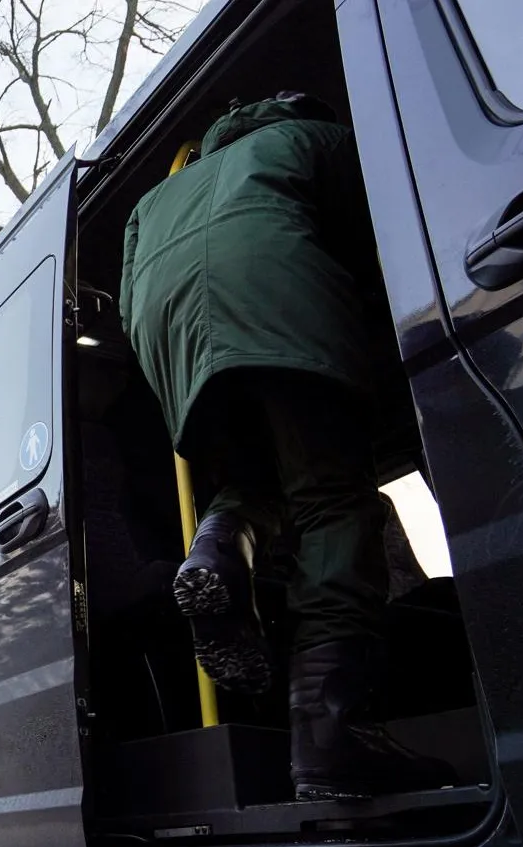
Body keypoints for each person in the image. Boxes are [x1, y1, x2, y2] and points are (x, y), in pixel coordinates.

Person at [118, 92, 452, 801]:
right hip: (278, 300)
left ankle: (218, 547)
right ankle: (333, 736)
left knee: (257, 482)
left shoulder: (154, 199)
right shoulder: (315, 139)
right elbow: (386, 240)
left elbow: (127, 301)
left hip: (177, 349)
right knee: (334, 501)